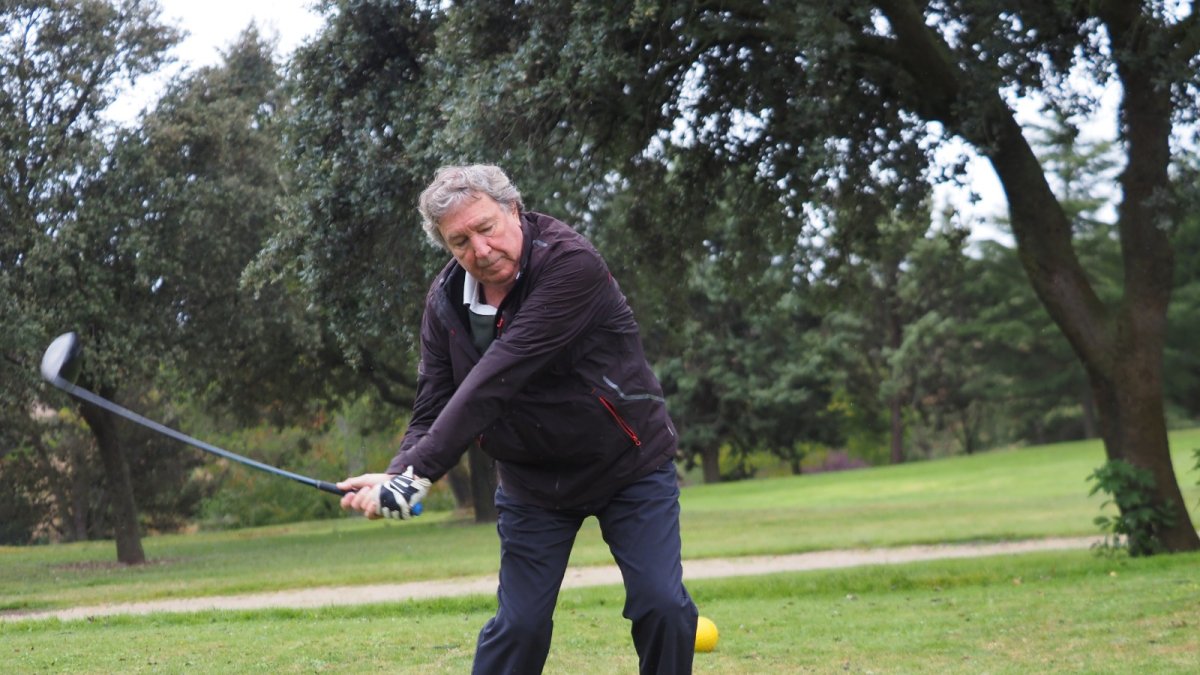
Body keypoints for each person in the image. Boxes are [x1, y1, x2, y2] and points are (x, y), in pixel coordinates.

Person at [338, 164, 698, 673]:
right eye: (459, 241)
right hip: (533, 484)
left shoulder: (571, 265)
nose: (479, 251)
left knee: (661, 603)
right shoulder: (444, 304)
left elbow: (498, 377)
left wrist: (418, 475)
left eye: (486, 228)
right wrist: (400, 474)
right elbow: (433, 404)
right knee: (521, 626)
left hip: (628, 464)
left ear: (514, 210)